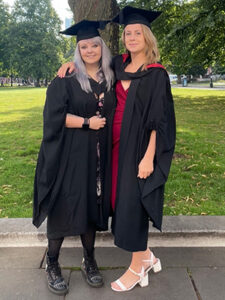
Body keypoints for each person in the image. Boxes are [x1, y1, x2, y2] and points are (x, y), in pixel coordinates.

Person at [58, 6, 176, 292]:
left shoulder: (156, 74)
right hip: (112, 146)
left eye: (137, 33)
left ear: (147, 38)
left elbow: (161, 123)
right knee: (117, 201)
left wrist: (149, 157)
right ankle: (147, 256)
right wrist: (68, 64)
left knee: (133, 203)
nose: (132, 37)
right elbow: (89, 63)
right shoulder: (118, 64)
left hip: (138, 149)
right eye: (127, 33)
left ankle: (137, 269)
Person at [33, 20, 115, 295]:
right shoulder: (65, 78)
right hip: (70, 156)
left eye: (95, 45)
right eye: (84, 46)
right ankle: (52, 263)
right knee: (63, 205)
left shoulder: (110, 76)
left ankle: (89, 260)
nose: (90, 50)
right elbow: (53, 118)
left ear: (102, 48)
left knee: (91, 206)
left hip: (99, 158)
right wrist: (86, 123)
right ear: (77, 50)